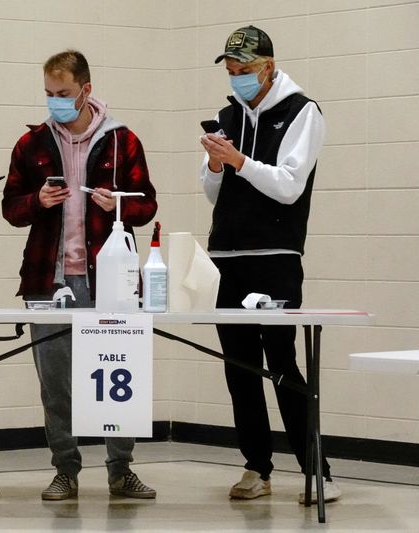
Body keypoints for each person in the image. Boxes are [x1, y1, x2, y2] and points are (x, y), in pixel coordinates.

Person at [2, 50, 158, 501]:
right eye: (49, 95)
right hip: (48, 281)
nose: (55, 102)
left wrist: (121, 204)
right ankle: (65, 470)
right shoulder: (30, 145)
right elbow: (11, 209)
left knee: (117, 375)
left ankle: (120, 470)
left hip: (110, 277)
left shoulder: (121, 140)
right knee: (56, 384)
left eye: (64, 94)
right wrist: (37, 202)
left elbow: (147, 205)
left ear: (86, 90)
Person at [199, 25, 338, 504]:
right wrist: (216, 167)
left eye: (243, 71)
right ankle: (256, 467)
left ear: (268, 67)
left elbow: (288, 186)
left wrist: (238, 160)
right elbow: (214, 193)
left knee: (282, 362)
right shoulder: (227, 115)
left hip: (276, 255)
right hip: (226, 256)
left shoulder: (303, 112)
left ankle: (315, 470)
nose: (236, 79)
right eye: (231, 71)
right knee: (239, 369)